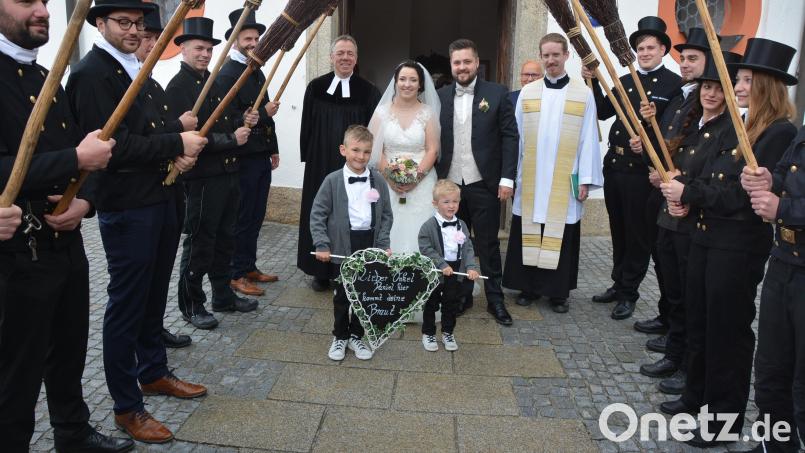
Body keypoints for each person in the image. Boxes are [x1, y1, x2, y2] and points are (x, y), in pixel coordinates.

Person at [66, 0, 209, 444]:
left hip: (162, 197)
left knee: (152, 297)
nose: (134, 30)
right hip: (128, 206)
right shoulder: (92, 74)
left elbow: (162, 126)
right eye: (123, 22)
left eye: (139, 23)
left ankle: (152, 372)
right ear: (99, 23)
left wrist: (178, 145)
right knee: (126, 305)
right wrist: (175, 143)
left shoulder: (135, 68)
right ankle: (127, 406)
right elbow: (114, 147)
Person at [0, 1, 131, 450]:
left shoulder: (44, 78)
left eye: (43, 1)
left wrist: (87, 202)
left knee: (69, 349)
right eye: (24, 1)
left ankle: (72, 433)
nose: (41, 10)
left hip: (65, 241)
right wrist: (74, 158)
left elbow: (83, 159)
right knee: (16, 372)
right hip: (16, 254)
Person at [658, 45, 797, 447]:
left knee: (727, 335)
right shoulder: (736, 127)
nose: (737, 86)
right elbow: (709, 175)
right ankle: (694, 401)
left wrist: (690, 192)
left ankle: (721, 422)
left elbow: (738, 196)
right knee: (701, 326)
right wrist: (684, 191)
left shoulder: (777, 133)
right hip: (705, 237)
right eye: (738, 79)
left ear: (766, 86)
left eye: (746, 80)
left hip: (736, 247)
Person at [633, 27, 714, 394]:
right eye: (683, 58)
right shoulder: (684, 99)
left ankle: (679, 348)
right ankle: (671, 327)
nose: (685, 64)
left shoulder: (706, 102)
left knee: (683, 280)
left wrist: (677, 178)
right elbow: (671, 142)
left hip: (687, 204)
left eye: (693, 58)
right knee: (665, 264)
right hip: (666, 194)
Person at [584, 16, 681, 320]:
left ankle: (629, 293)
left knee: (639, 234)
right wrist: (592, 80)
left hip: (643, 171)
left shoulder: (674, 85)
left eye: (651, 47)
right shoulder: (624, 79)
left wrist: (652, 123)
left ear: (663, 50)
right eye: (640, 47)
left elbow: (673, 131)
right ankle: (618, 282)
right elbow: (601, 112)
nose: (645, 52)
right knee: (618, 229)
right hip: (616, 166)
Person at [166, 17, 256, 330]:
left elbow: (227, 119)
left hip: (228, 173)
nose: (204, 54)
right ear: (183, 50)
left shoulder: (213, 83)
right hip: (203, 179)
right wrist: (232, 139)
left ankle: (222, 296)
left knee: (225, 240)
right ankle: (192, 304)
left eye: (208, 49)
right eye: (198, 48)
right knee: (201, 242)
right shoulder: (177, 88)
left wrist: (244, 119)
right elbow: (190, 139)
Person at [503, 33, 602, 313]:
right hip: (532, 176)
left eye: (555, 55)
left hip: (564, 177)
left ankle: (558, 293)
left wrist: (585, 179)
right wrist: (511, 176)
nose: (550, 60)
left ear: (566, 55)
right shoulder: (528, 92)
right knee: (530, 228)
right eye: (545, 55)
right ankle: (529, 287)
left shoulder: (583, 94)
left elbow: (588, 139)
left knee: (562, 231)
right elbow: (516, 138)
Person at [735, 38, 802, 453]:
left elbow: (786, 201)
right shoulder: (801, 135)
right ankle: (772, 444)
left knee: (800, 376)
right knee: (772, 367)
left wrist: (783, 206)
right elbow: (781, 174)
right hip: (784, 263)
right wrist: (765, 183)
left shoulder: (785, 128)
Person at [437, 38, 518, 325]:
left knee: (488, 244)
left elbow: (510, 136)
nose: (462, 67)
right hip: (450, 185)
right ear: (451, 64)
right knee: (456, 244)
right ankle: (462, 295)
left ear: (476, 62)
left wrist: (507, 178)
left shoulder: (497, 93)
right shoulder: (441, 95)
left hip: (484, 182)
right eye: (457, 62)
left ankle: (495, 299)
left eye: (467, 62)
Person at [298, 35, 381, 292]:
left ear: (356, 59)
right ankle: (320, 271)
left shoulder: (368, 91)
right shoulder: (315, 87)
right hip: (320, 163)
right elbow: (307, 126)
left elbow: (373, 132)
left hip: (354, 164)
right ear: (331, 56)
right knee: (320, 212)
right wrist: (308, 157)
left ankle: (349, 269)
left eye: (350, 54)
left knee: (352, 214)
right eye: (340, 53)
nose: (345, 58)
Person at [135, 3, 194, 349]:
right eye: (146, 37)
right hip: (138, 198)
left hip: (166, 190)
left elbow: (159, 135)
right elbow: (138, 140)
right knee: (138, 285)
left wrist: (179, 154)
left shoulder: (151, 84)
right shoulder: (113, 79)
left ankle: (154, 333)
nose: (150, 44)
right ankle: (143, 352)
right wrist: (179, 138)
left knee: (159, 278)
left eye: (156, 38)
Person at [310, 125, 393, 362]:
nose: (361, 156)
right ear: (343, 150)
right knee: (342, 294)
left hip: (369, 242)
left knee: (364, 293)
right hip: (342, 245)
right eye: (356, 150)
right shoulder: (332, 180)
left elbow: (386, 214)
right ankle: (340, 335)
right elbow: (318, 214)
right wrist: (322, 244)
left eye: (367, 152)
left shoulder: (377, 179)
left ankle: (356, 335)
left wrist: (383, 242)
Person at [219, 8, 281, 298]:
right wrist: (262, 115)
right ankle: (235, 273)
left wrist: (273, 147)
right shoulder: (228, 74)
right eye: (247, 38)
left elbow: (266, 113)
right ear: (234, 41)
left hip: (260, 156)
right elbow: (223, 118)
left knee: (256, 215)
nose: (253, 42)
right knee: (242, 216)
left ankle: (249, 266)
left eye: (256, 38)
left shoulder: (256, 69)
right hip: (241, 158)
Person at [368, 60, 440, 252]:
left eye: (413, 80)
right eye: (402, 79)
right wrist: (391, 179)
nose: (407, 84)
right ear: (395, 82)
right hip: (387, 183)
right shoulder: (381, 112)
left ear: (420, 84)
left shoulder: (428, 113)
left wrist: (415, 179)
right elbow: (376, 150)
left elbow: (432, 149)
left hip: (422, 182)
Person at [418, 180, 479, 351]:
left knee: (451, 303)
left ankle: (447, 332)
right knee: (431, 303)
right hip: (437, 271)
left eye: (455, 201)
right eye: (446, 202)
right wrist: (441, 264)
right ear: (435, 203)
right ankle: (428, 333)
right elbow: (425, 248)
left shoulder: (462, 225)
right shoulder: (428, 226)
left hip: (456, 270)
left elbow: (467, 247)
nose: (451, 206)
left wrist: (471, 267)